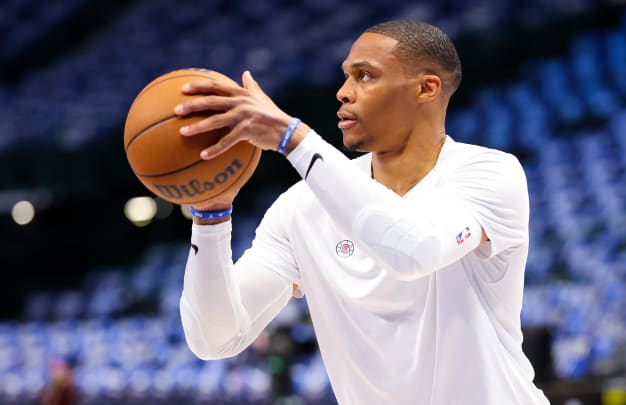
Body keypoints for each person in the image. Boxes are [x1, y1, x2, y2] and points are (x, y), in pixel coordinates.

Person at [175, 20, 550, 404]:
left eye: (365, 76)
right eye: (345, 77)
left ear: (426, 88)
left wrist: (294, 138)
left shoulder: (487, 174)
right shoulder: (301, 207)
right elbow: (214, 338)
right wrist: (211, 214)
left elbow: (414, 249)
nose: (342, 93)